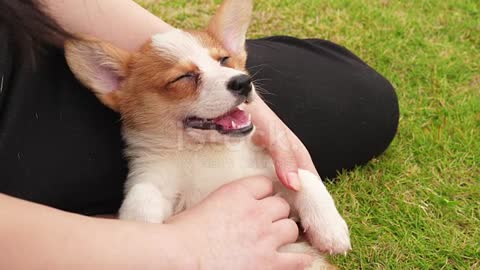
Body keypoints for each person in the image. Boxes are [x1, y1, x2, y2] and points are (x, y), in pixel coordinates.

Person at [0, 0, 399, 269]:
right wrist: (181, 250)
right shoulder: (152, 148)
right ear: (115, 84)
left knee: (364, 101)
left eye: (225, 61)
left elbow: (290, 178)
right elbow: (148, 197)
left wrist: (273, 130)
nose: (237, 77)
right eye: (185, 79)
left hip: (22, 46)